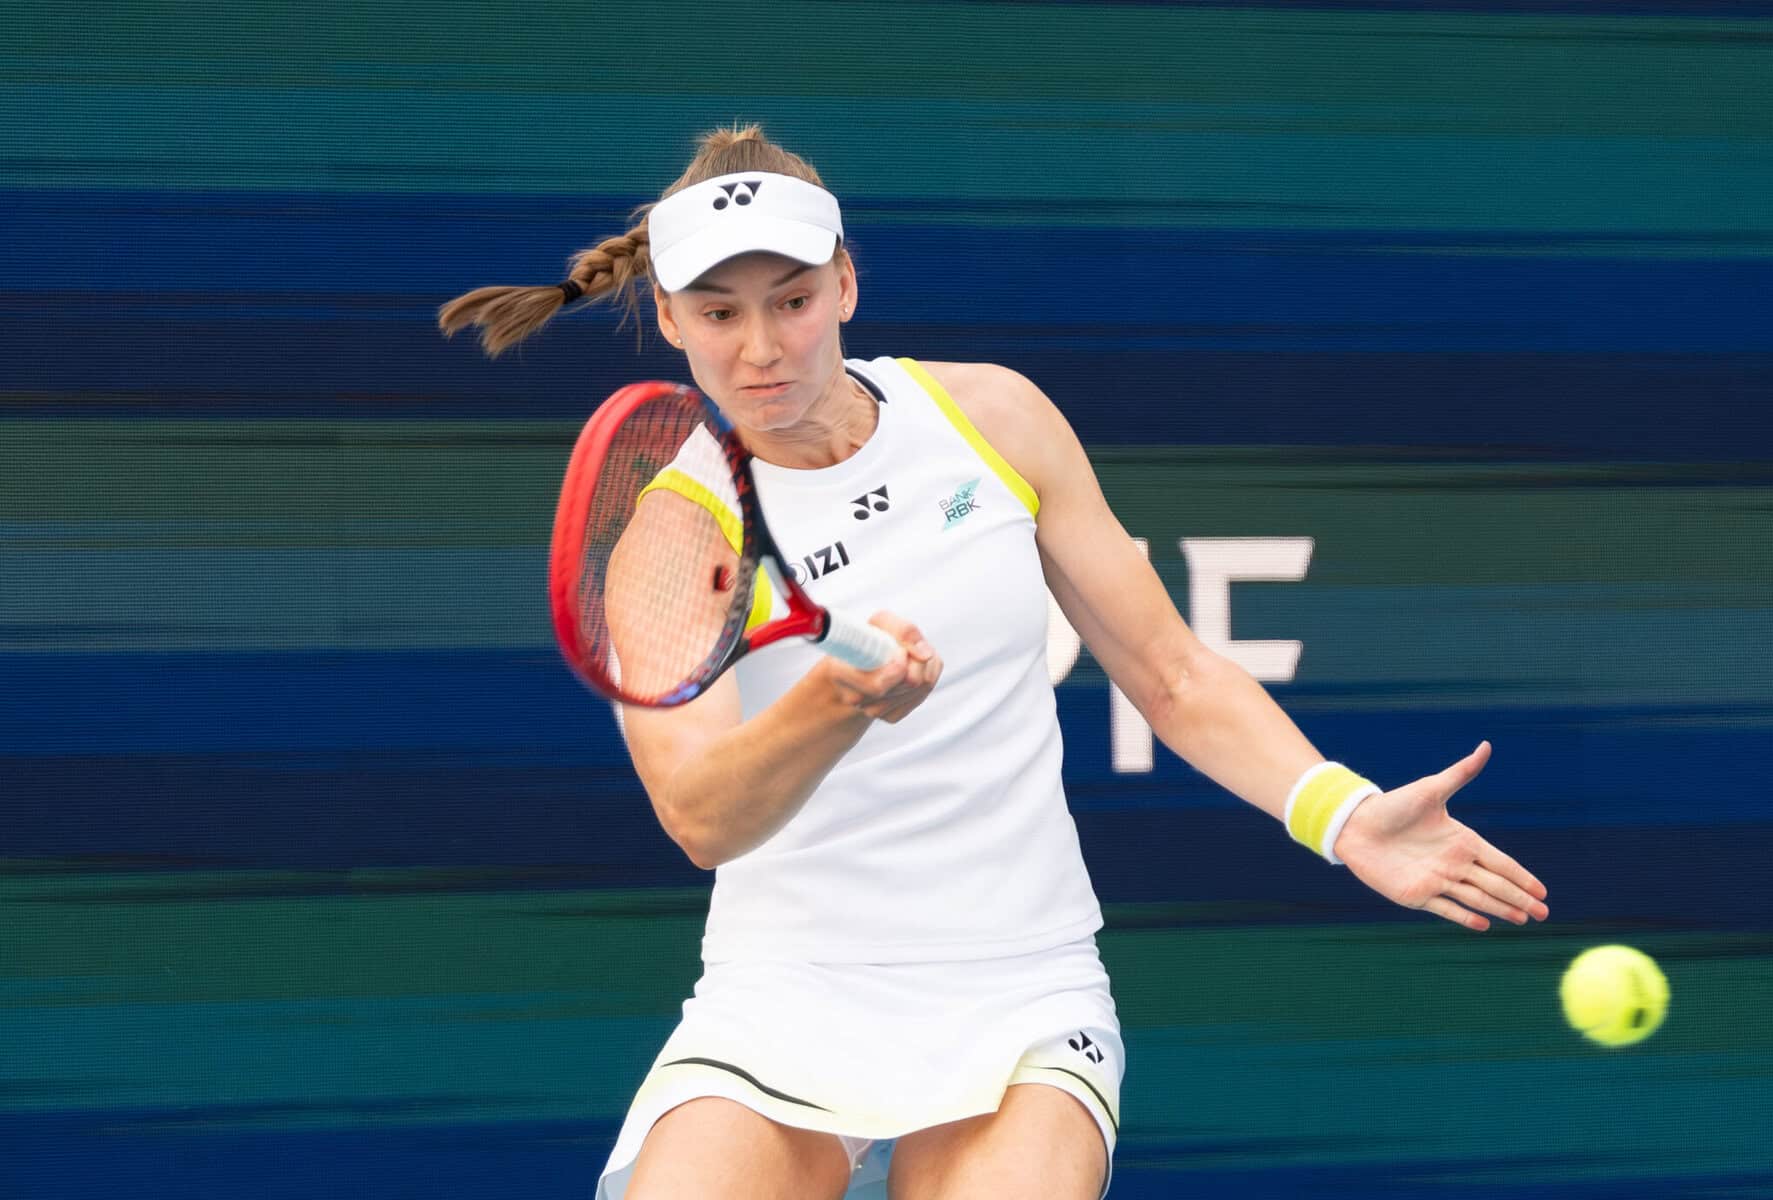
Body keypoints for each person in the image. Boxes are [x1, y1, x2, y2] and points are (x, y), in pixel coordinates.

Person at [439, 124, 1549, 1200]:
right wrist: (834, 705)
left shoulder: (988, 417)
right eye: (720, 313)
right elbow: (700, 817)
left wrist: (1344, 818)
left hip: (1016, 986)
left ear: (846, 286)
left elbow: (1170, 673)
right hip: (781, 992)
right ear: (671, 322)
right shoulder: (675, 535)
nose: (762, 347)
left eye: (792, 300)